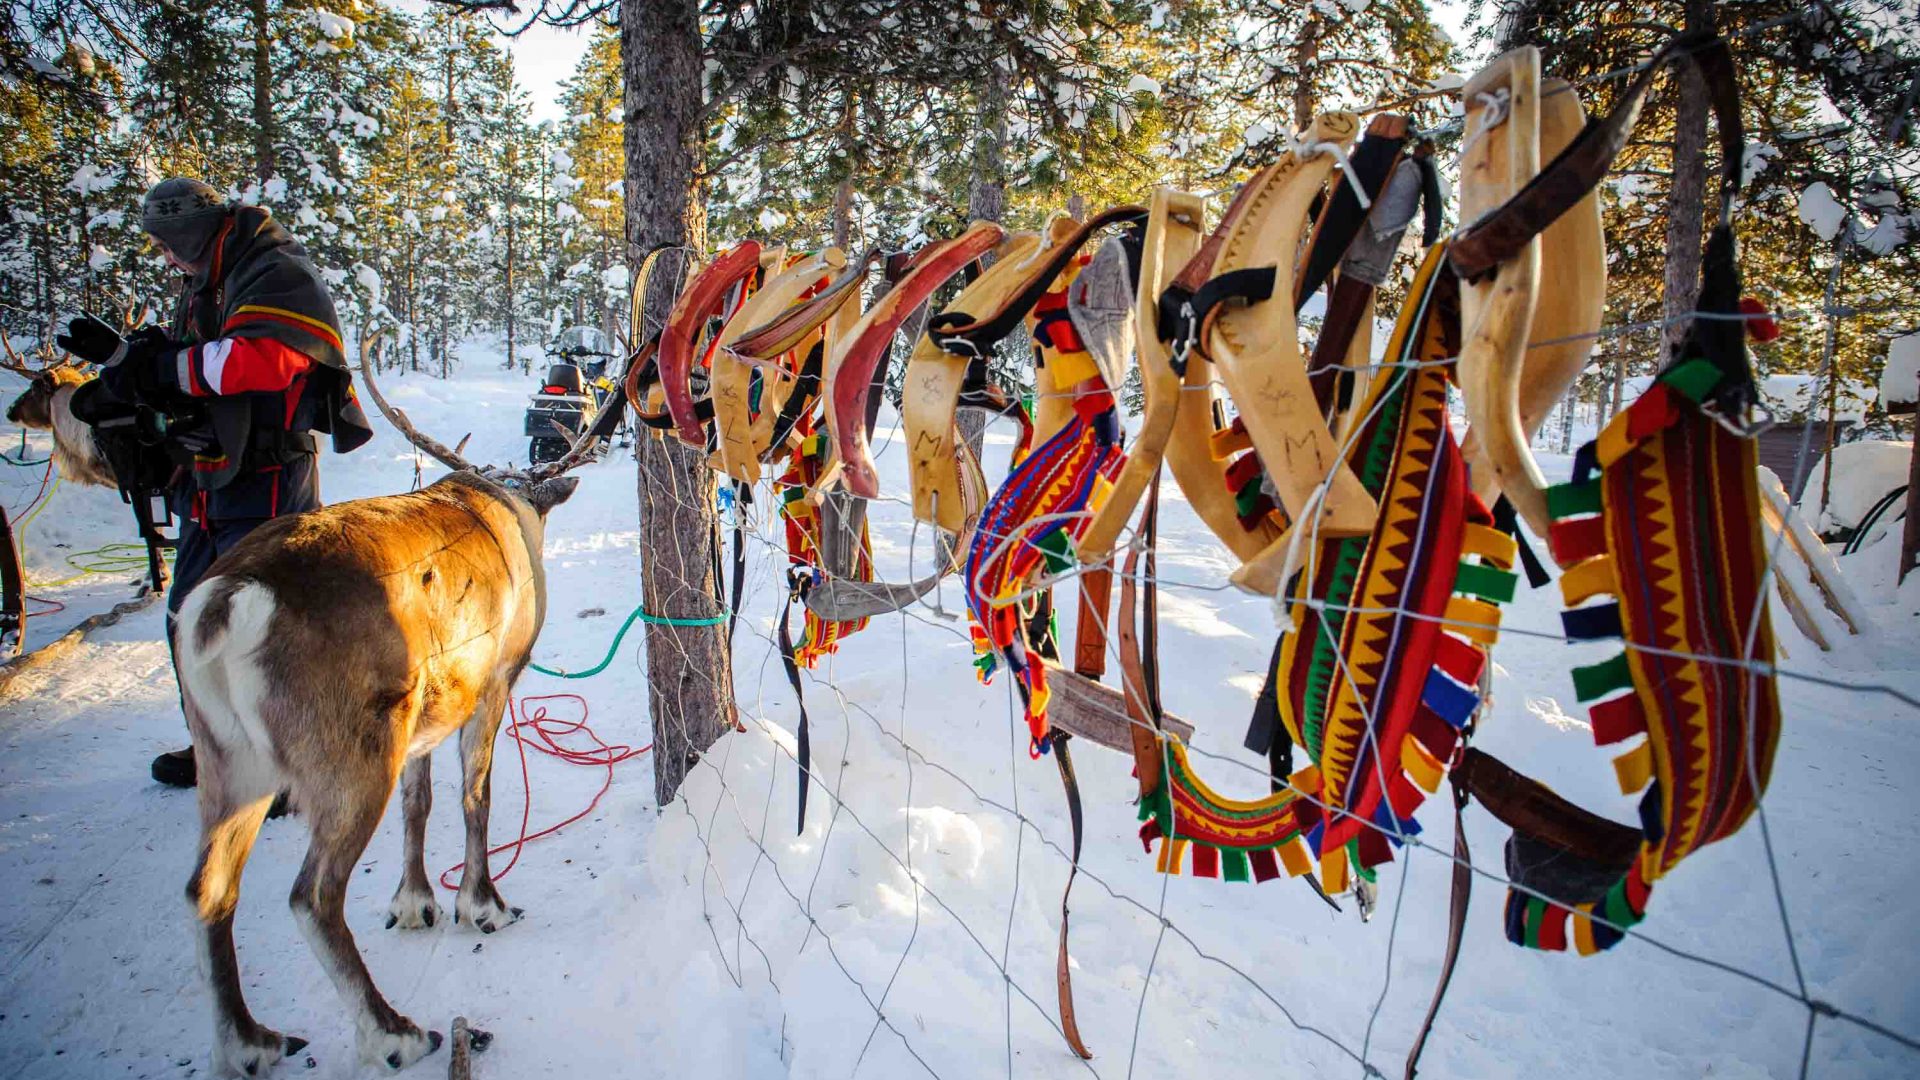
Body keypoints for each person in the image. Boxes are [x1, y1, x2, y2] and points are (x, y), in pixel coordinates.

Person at [54, 178, 372, 788]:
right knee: (190, 615)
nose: (168, 259)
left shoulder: (274, 270)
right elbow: (195, 357)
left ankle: (286, 764)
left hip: (269, 477)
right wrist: (126, 359)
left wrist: (161, 369)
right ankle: (219, 752)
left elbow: (262, 360)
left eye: (172, 246)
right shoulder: (210, 279)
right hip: (205, 475)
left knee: (267, 623)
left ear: (193, 234)